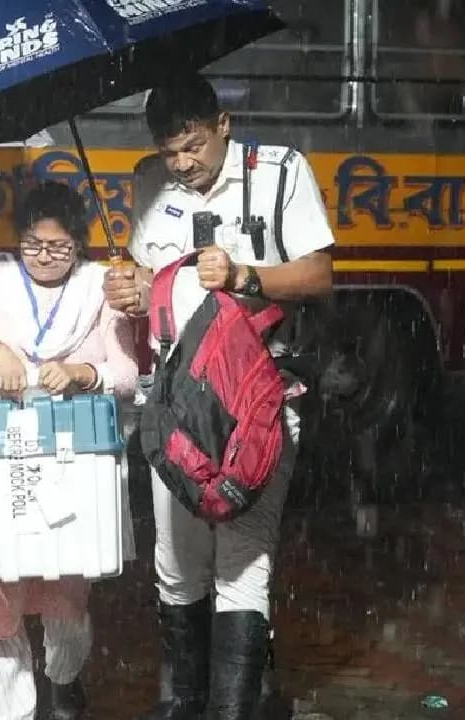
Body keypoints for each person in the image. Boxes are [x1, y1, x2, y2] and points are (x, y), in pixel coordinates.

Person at [104, 73, 335, 719]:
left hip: (259, 401)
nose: (181, 164)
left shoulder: (281, 173)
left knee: (242, 560)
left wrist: (245, 274)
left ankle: (232, 710)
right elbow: (149, 277)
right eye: (169, 150)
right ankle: (186, 703)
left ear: (223, 126)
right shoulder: (151, 179)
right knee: (176, 563)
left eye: (192, 147)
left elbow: (321, 276)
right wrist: (131, 292)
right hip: (175, 405)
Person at [0, 181, 139, 720]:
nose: (44, 257)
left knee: (66, 585)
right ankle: (10, 708)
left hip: (68, 459)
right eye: (33, 244)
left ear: (79, 244)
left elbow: (127, 374)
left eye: (58, 247)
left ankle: (65, 681)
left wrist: (82, 372)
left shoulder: (99, 285)